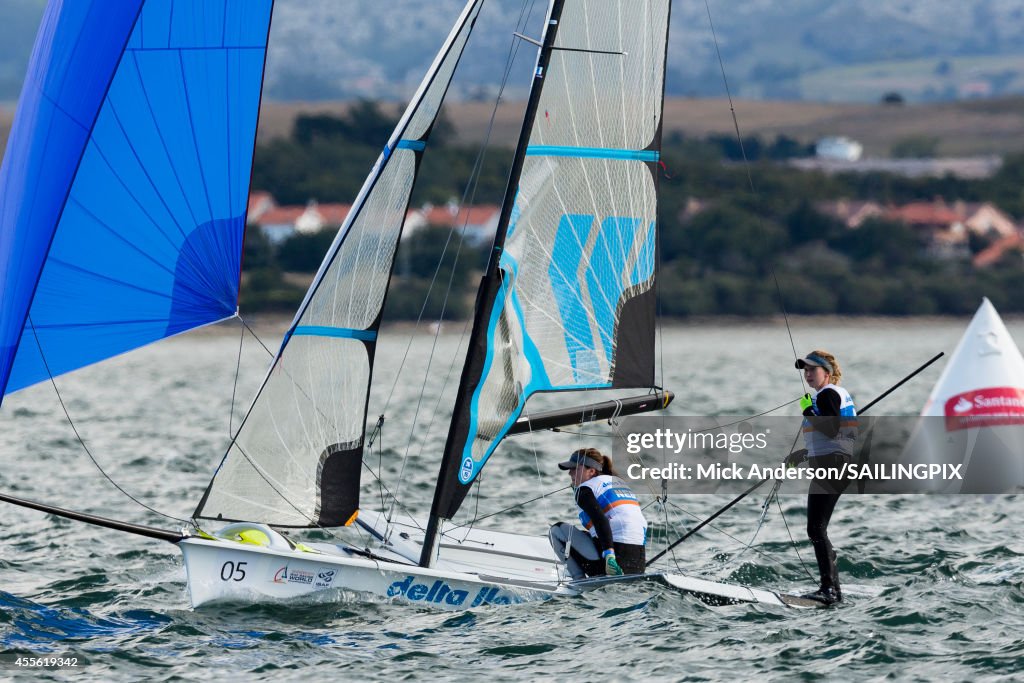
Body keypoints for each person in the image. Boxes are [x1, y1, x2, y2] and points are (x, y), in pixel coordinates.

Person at [785, 350, 857, 605]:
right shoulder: (835, 394)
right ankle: (833, 588)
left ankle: (830, 590)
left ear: (826, 373)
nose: (807, 374)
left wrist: (808, 412)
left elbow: (830, 429)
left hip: (833, 467)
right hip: (837, 464)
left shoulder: (827, 394)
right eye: (804, 370)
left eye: (812, 370)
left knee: (815, 528)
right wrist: (803, 454)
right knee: (817, 528)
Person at [548, 448, 647, 579]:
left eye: (575, 468)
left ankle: (578, 581)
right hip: (638, 563)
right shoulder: (619, 483)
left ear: (591, 471)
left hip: (611, 563)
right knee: (588, 535)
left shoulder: (585, 489)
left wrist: (609, 554)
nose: (569, 473)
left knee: (556, 530)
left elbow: (600, 520)